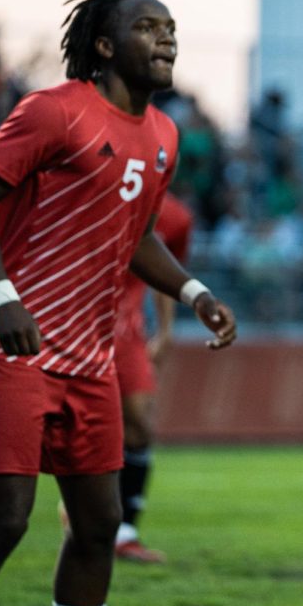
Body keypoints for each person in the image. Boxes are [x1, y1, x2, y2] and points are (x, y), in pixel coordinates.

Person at [0, 0, 237, 606]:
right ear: (103, 45)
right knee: (5, 522)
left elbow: (139, 235)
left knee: (101, 523)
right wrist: (2, 297)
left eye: (171, 28)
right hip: (9, 345)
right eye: (148, 27)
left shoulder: (164, 134)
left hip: (88, 356)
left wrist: (193, 291)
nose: (166, 38)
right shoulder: (55, 112)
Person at [113, 192, 196, 562]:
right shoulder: (98, 184)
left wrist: (165, 330)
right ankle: (84, 509)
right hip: (74, 320)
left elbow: (167, 272)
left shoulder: (176, 216)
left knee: (139, 425)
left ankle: (124, 531)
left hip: (127, 331)